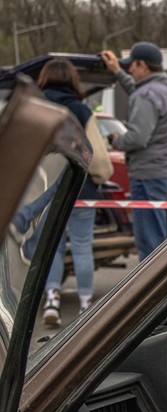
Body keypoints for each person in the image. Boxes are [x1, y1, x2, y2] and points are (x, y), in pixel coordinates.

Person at [9, 59, 113, 325]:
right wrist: (100, 178)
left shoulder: (36, 110)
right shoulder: (81, 110)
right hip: (81, 189)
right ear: (72, 81)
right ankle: (86, 305)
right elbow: (97, 157)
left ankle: (52, 301)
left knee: (51, 247)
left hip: (44, 189)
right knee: (81, 247)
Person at [99, 42, 167, 262]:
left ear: (143, 66)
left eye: (132, 65)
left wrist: (117, 141)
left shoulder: (145, 95)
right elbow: (142, 93)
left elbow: (138, 137)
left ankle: (157, 297)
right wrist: (118, 73)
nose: (130, 69)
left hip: (151, 179)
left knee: (152, 252)